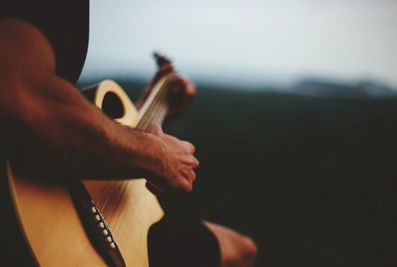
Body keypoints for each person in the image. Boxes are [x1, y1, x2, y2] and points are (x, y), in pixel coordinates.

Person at [0, 1, 257, 267]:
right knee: (240, 252)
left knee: (242, 249)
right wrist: (157, 156)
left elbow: (51, 106)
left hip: (71, 200)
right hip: (47, 227)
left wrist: (153, 108)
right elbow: (23, 97)